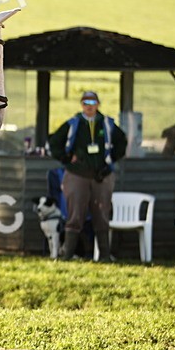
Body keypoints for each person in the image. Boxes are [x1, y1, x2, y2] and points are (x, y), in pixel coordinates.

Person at [48, 91, 128, 261]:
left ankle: (104, 256)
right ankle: (67, 254)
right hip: (77, 175)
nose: (89, 106)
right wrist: (67, 158)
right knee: (75, 214)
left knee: (102, 214)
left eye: (92, 102)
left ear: (98, 104)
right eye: (85, 103)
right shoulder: (73, 123)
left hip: (102, 176)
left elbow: (122, 142)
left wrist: (111, 159)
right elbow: (54, 142)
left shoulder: (107, 124)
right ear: (81, 105)